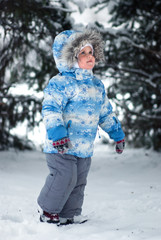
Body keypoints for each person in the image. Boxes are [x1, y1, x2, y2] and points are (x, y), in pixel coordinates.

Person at [37, 29, 125, 225]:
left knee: (78, 181)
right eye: (82, 53)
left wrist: (117, 134)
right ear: (69, 58)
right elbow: (51, 109)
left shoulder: (97, 85)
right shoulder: (60, 83)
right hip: (61, 144)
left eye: (91, 52)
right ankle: (48, 210)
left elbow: (105, 113)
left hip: (84, 147)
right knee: (64, 176)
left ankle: (69, 213)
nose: (89, 56)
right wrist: (57, 133)